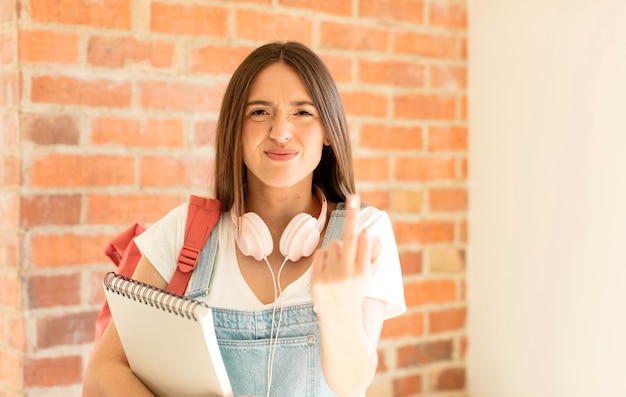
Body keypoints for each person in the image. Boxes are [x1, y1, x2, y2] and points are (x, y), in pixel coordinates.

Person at [84, 41, 406, 397]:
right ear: (235, 128)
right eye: (259, 113)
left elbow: (352, 384)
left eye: (302, 113)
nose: (281, 132)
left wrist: (338, 311)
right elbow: (104, 371)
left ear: (329, 130)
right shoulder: (183, 233)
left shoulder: (363, 234)